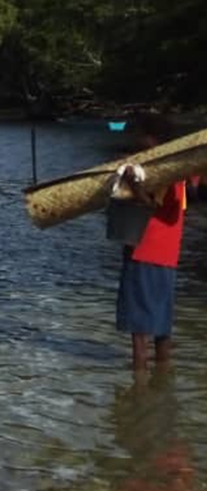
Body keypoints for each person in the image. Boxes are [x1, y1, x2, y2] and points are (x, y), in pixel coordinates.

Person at [115, 114, 188, 373]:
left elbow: (150, 203)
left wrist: (133, 183)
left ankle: (140, 386)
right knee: (161, 326)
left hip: (145, 250)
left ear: (151, 138)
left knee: (139, 332)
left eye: (140, 134)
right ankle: (162, 380)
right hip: (167, 255)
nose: (136, 139)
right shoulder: (180, 170)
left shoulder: (159, 170)